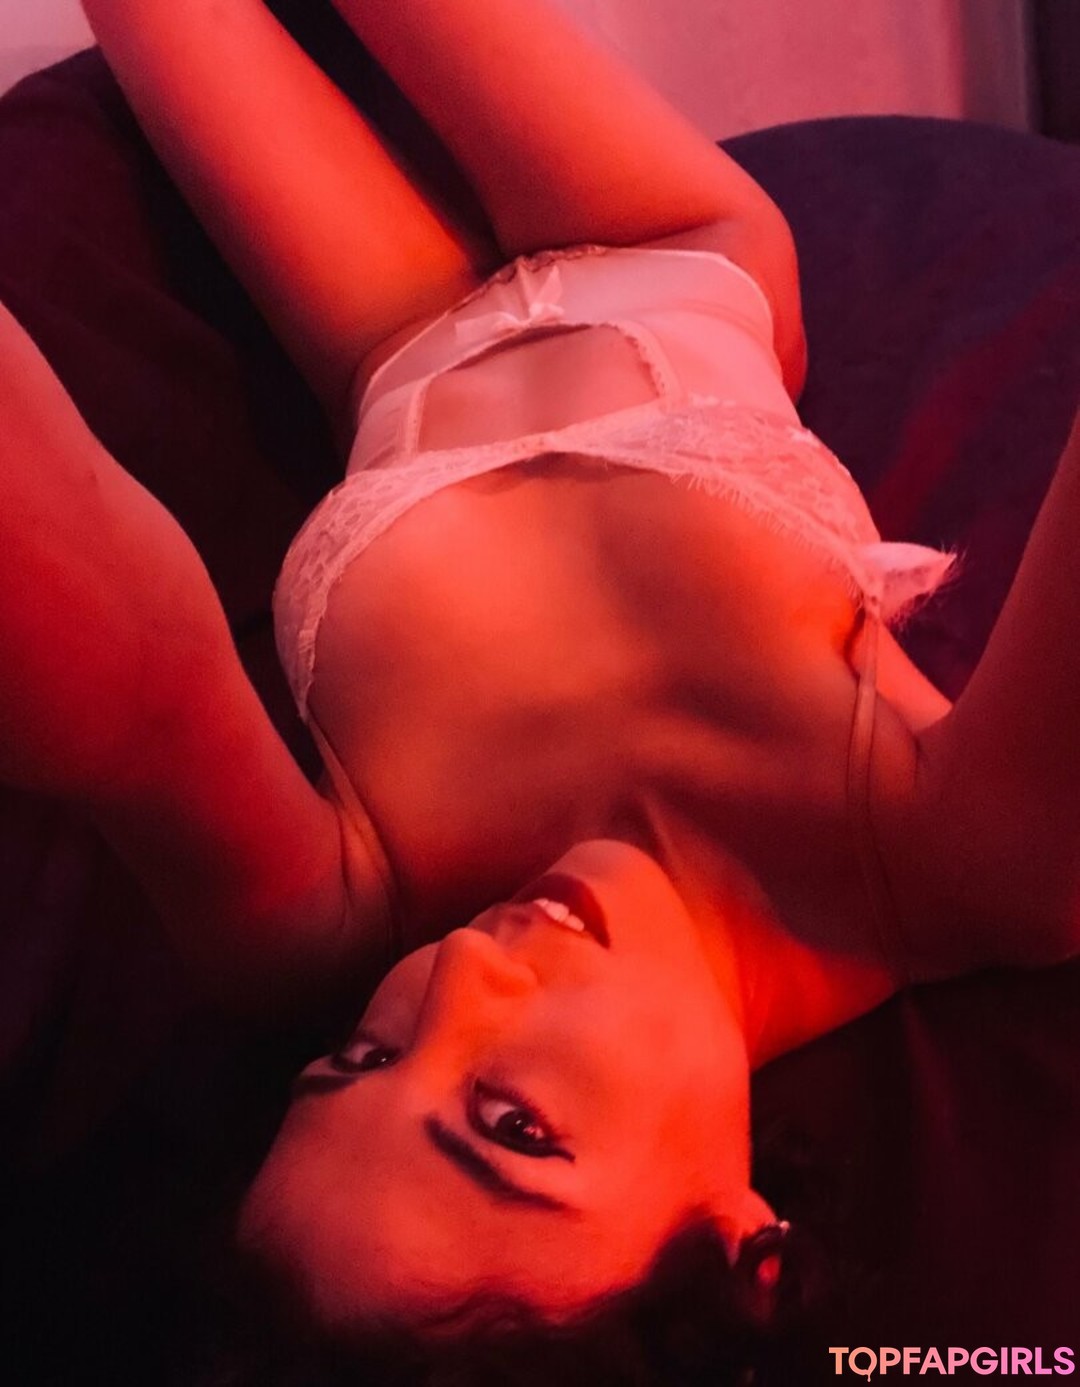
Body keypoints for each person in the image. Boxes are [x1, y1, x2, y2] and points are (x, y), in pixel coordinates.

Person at [1, 0, 1077, 1374]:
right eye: (514, 1128)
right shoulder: (962, 866)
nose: (455, 980)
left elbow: (120, 667)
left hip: (384, 334)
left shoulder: (327, 918)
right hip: (673, 251)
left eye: (357, 1063)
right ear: (752, 1261)